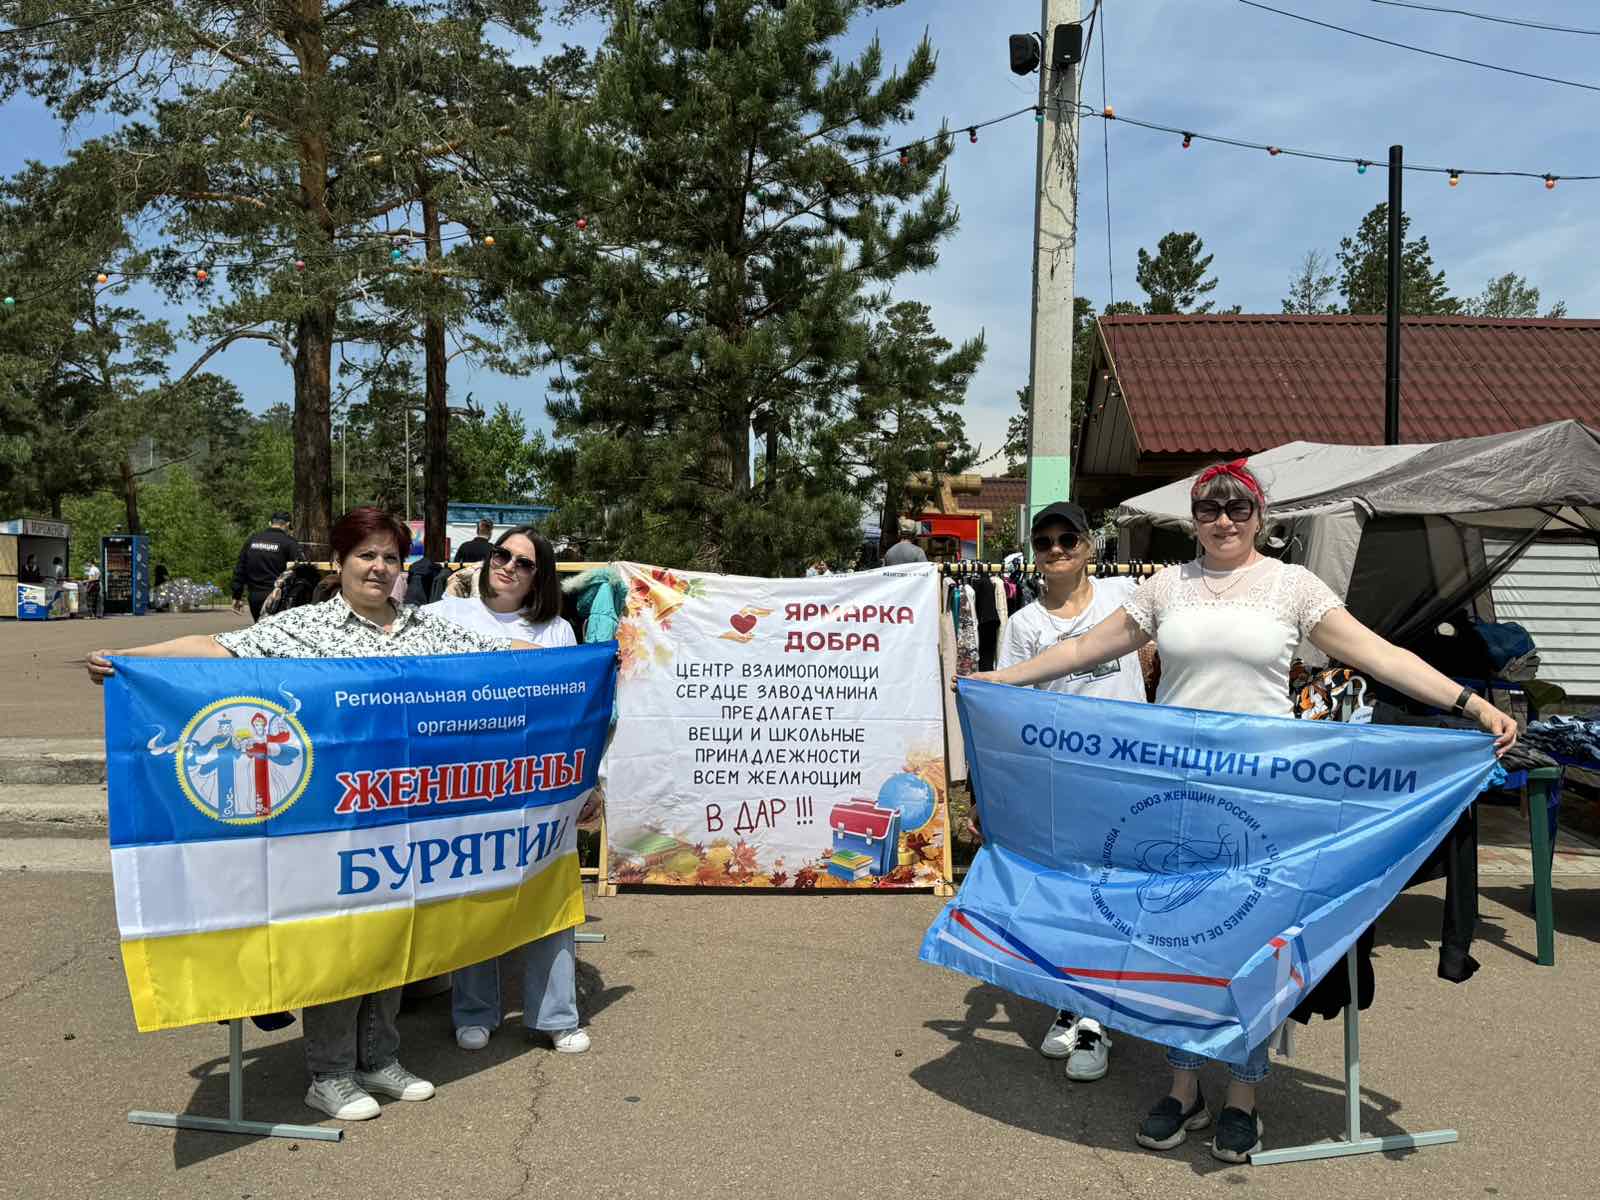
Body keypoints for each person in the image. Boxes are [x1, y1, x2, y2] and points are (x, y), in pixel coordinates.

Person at [964, 460, 1516, 1164]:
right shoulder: (1165, 586)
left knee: (1251, 944)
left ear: (1261, 516)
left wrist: (1468, 704)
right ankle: (1182, 1085)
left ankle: (1245, 1095)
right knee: (1173, 937)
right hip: (1175, 794)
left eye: (1237, 508)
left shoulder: (1293, 587)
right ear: (1193, 518)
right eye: (1208, 508)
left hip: (1260, 798)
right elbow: (1080, 649)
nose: (1223, 520)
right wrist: (999, 679)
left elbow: (1377, 654)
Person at [87, 506, 540, 1123]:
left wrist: (593, 661)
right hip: (328, 819)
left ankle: (380, 1058)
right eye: (367, 556)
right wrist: (130, 656)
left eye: (390, 557)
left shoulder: (426, 630)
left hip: (404, 815)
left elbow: (509, 657)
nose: (379, 568)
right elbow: (215, 648)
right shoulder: (302, 629)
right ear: (340, 562)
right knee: (341, 941)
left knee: (392, 934)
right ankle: (329, 1073)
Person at [423, 526, 593, 1055]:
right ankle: (475, 1010)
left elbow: (571, 712)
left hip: (538, 781)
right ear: (485, 558)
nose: (510, 567)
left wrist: (589, 782)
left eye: (525, 563)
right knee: (475, 894)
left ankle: (555, 1016)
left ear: (538, 576)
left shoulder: (558, 631)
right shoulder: (441, 617)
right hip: (466, 781)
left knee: (547, 891)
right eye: (503, 555)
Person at [997, 501, 1148, 1083]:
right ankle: (1074, 1005)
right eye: (1045, 542)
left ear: (1089, 544)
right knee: (1067, 899)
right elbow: (1012, 705)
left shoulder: (1124, 600)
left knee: (1111, 899)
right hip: (1061, 778)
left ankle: (1096, 1019)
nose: (1056, 550)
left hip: (1126, 774)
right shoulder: (1023, 625)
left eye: (1068, 539)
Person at [231, 512, 302, 621]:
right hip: (277, 597)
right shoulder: (289, 543)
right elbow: (301, 571)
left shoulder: (252, 540)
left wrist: (237, 595)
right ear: (288, 524)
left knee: (259, 629)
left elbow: (240, 569)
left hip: (254, 596)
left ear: (270, 523)